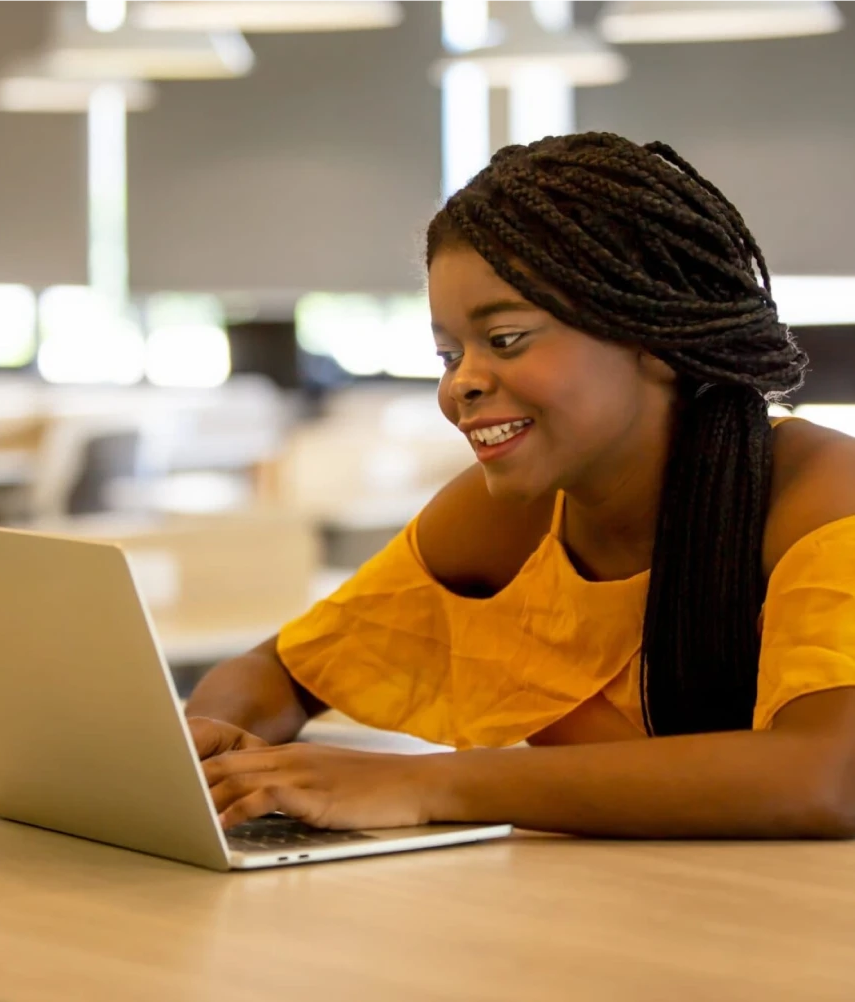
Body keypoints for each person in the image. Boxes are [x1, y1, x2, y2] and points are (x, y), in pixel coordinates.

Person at [188, 133, 855, 839]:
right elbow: (283, 668)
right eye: (449, 354)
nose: (460, 383)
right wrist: (215, 751)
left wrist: (422, 785)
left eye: (504, 339)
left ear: (654, 335)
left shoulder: (822, 497)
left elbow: (828, 776)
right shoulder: (503, 521)